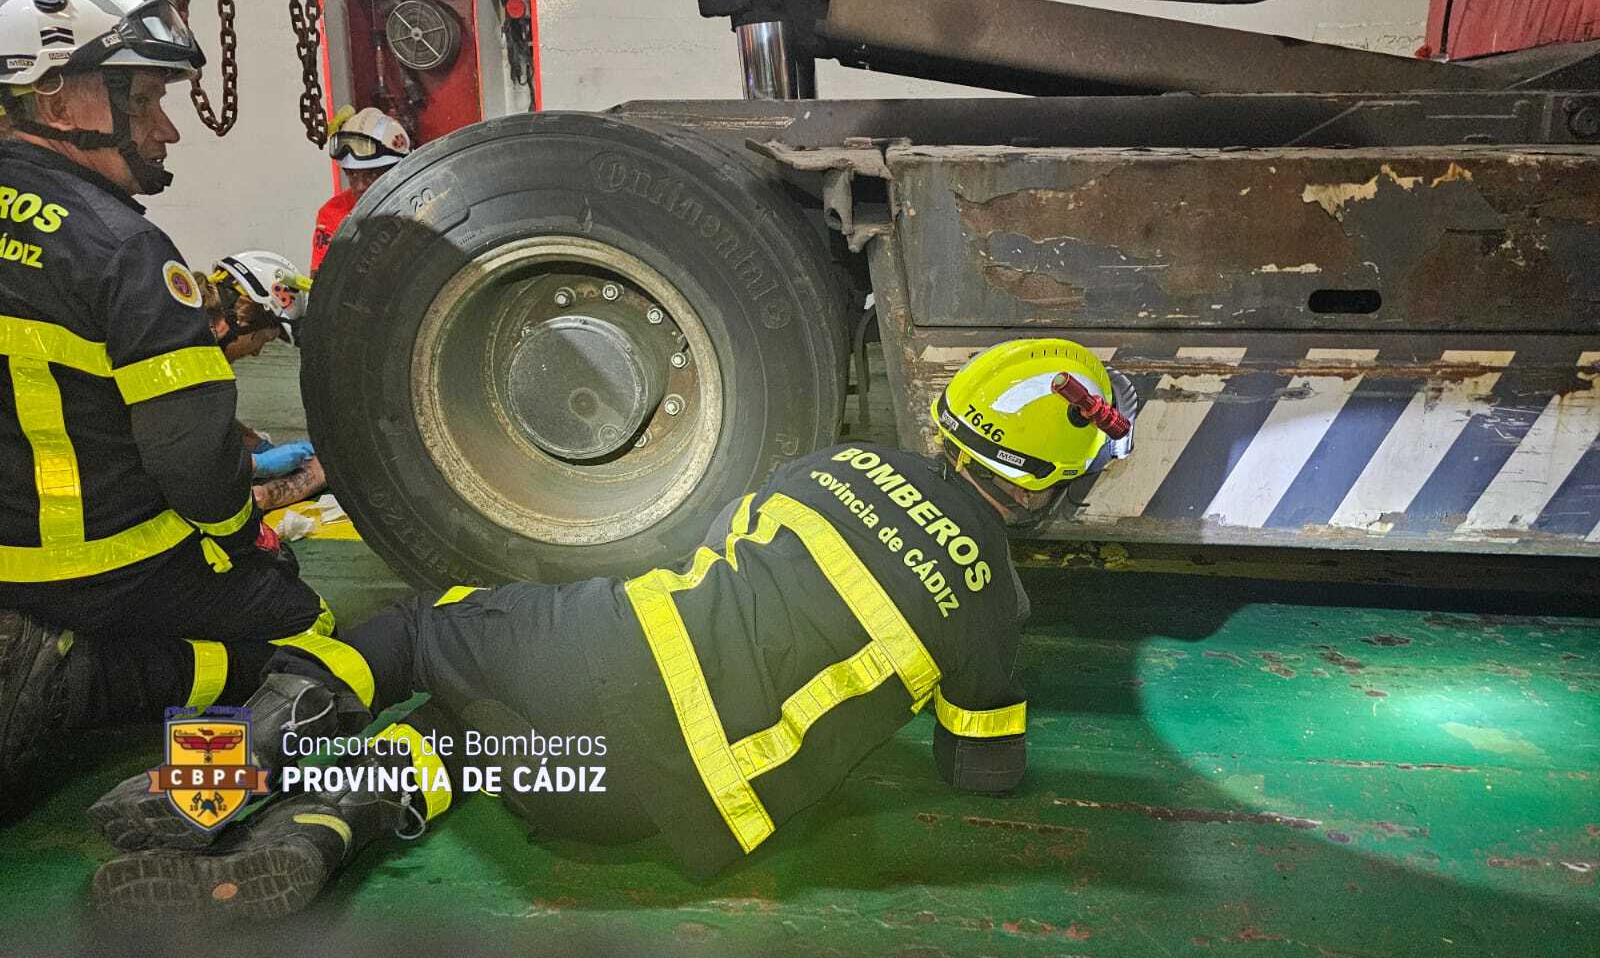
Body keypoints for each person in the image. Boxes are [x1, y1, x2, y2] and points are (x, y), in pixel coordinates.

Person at [89, 338, 1139, 920]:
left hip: (608, 662)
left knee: (410, 633)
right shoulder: (995, 609)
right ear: (1056, 483)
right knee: (469, 732)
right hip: (639, 815)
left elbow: (717, 560)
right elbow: (982, 775)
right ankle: (312, 835)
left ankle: (202, 783)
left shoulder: (837, 466)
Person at [0, 0, 373, 812]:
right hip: (100, 563)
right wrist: (245, 539)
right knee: (304, 629)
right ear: (61, 104)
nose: (166, 130)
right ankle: (85, 681)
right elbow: (195, 464)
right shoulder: (122, 252)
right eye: (143, 103)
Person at [199, 251, 326, 511]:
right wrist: (259, 465)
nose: (256, 352)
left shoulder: (186, 337)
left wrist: (256, 444)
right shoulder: (185, 356)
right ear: (240, 320)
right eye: (262, 340)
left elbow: (201, 415)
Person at [309, 107, 410, 273]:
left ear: (397, 169)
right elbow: (321, 285)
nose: (360, 186)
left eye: (372, 174)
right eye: (352, 175)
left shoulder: (426, 202)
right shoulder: (333, 214)